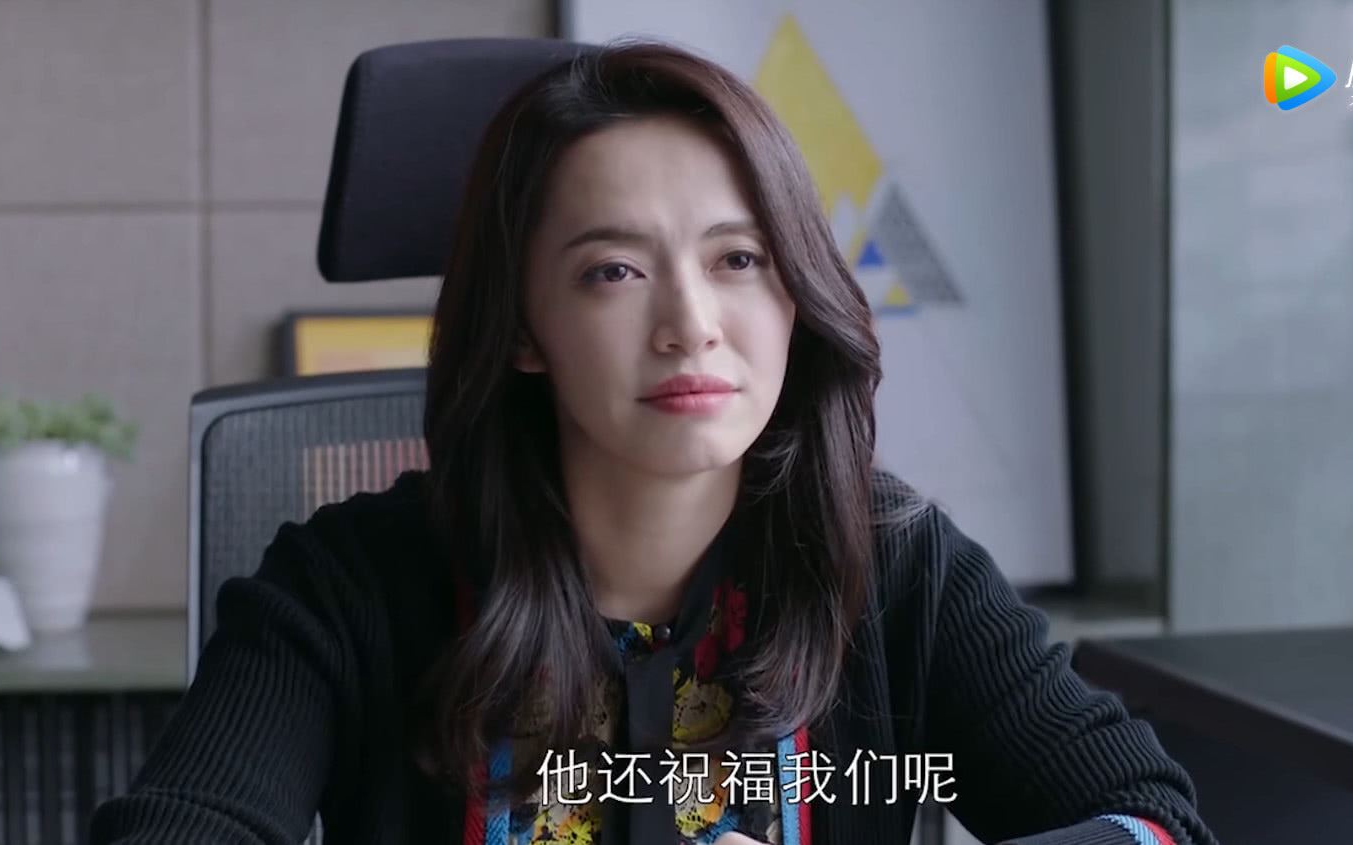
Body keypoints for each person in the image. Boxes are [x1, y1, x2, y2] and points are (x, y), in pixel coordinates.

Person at [89, 41, 1215, 845]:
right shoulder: (346, 586)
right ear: (523, 327)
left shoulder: (894, 565)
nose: (691, 324)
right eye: (614, 271)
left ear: (795, 293)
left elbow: (1148, 819)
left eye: (738, 259)